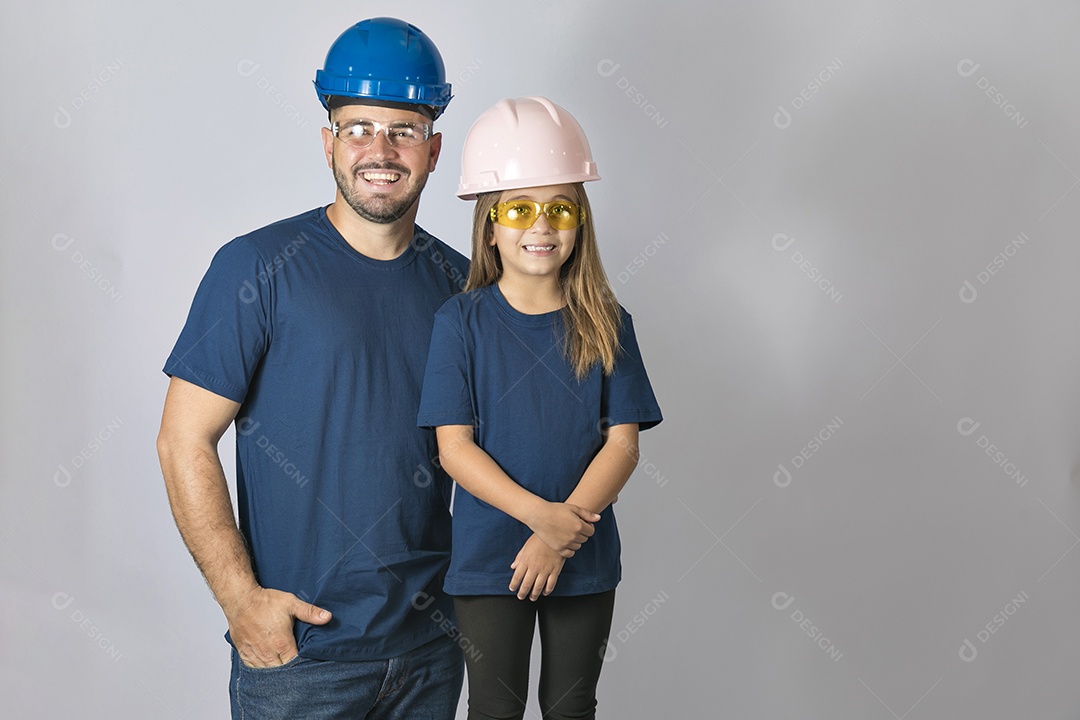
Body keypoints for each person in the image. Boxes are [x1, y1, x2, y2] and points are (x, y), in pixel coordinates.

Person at [155, 17, 469, 720]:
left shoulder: (463, 285)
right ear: (329, 142)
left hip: (430, 653)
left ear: (434, 150)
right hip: (302, 659)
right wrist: (241, 601)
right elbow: (183, 440)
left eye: (404, 130)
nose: (380, 151)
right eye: (359, 128)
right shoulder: (257, 269)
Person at [417, 96, 663, 720]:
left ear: (580, 221)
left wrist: (561, 536)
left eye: (560, 209)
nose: (542, 227)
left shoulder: (608, 322)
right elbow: (454, 448)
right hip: (489, 558)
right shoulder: (459, 322)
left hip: (583, 552)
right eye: (520, 209)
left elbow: (623, 444)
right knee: (494, 709)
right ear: (490, 226)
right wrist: (540, 521)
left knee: (571, 706)